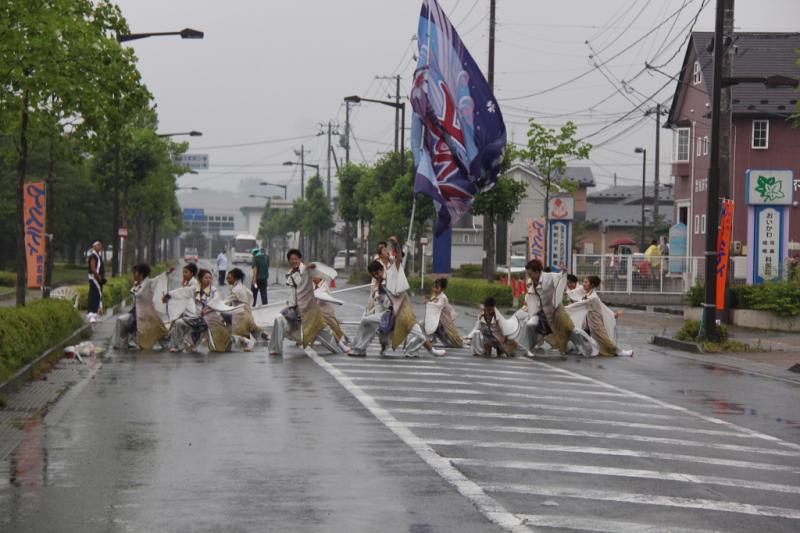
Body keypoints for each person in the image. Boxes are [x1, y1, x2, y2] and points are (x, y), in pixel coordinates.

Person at [350, 258, 445, 358]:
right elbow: (382, 303)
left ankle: (422, 351)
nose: (377, 276)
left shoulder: (392, 278)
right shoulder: (378, 285)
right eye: (374, 275)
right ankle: (359, 349)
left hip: (403, 314)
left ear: (382, 270)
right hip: (388, 315)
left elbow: (398, 268)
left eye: (378, 273)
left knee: (420, 335)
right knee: (366, 321)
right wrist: (377, 291)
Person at [517, 259, 597, 358]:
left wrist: (563, 272)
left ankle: (582, 348)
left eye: (530, 273)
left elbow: (560, 277)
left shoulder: (549, 277)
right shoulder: (533, 282)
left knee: (570, 329)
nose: (529, 276)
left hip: (557, 311)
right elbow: (531, 297)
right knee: (530, 324)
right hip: (542, 313)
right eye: (528, 274)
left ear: (537, 271)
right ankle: (530, 348)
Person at [268, 249, 332, 357]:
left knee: (324, 331)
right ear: (289, 261)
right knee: (278, 319)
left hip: (308, 308)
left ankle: (340, 345)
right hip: (294, 307)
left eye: (296, 259)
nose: (294, 261)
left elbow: (313, 270)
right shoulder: (290, 274)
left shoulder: (307, 270)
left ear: (300, 259)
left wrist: (312, 267)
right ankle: (275, 348)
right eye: (291, 259)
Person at [164, 268, 231, 353]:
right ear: (201, 279)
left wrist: (207, 309)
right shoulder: (195, 288)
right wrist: (169, 294)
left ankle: (191, 344)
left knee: (201, 333)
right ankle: (176, 345)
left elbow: (216, 300)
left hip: (210, 318)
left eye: (210, 278)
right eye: (206, 278)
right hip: (197, 317)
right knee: (179, 323)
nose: (208, 280)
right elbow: (182, 292)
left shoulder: (213, 290)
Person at [566, 276, 633, 357]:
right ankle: (595, 350)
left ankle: (620, 352)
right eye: (583, 282)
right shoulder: (587, 292)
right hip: (589, 321)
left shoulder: (593, 297)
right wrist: (565, 293)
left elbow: (579, 305)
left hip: (596, 321)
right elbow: (576, 292)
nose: (583, 284)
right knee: (593, 337)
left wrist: (566, 308)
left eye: (586, 282)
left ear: (592, 285)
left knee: (603, 338)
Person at [112, 263, 169, 350]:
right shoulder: (137, 284)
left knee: (157, 331)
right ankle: (120, 344)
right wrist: (136, 286)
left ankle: (168, 344)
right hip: (136, 313)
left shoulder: (148, 283)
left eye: (135, 273)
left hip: (146, 314)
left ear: (141, 274)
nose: (133, 275)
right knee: (121, 320)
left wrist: (167, 273)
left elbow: (158, 279)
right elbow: (134, 292)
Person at [312, 273, 352, 354]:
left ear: (321, 277)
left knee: (332, 325)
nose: (313, 278)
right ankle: (342, 341)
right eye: (312, 276)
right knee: (329, 326)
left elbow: (320, 295)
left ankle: (342, 342)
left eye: (315, 276)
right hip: (317, 311)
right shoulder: (311, 285)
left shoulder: (324, 286)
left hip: (326, 310)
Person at [225, 267, 260, 352]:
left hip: (240, 316)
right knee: (255, 331)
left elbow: (227, 302)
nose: (227, 279)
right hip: (247, 313)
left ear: (235, 278)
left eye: (229, 278)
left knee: (235, 335)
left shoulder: (236, 290)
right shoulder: (242, 287)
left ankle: (249, 343)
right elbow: (250, 295)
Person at [423, 278, 463, 348]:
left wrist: (428, 302)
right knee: (431, 325)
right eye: (434, 287)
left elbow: (438, 306)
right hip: (437, 317)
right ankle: (432, 339)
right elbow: (432, 303)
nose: (434, 289)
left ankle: (456, 342)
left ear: (442, 289)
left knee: (448, 333)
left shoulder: (443, 297)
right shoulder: (434, 295)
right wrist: (428, 301)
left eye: (437, 287)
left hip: (444, 318)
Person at [86, 240, 106, 324]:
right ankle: (91, 315)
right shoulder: (93, 256)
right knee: (94, 295)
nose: (100, 247)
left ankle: (95, 314)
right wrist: (99, 277)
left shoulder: (98, 255)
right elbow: (93, 269)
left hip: (98, 279)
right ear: (94, 246)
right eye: (98, 245)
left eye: (100, 245)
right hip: (94, 279)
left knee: (98, 296)